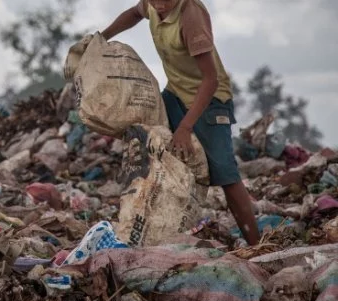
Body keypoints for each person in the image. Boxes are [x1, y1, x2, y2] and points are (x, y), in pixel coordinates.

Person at [102, 0, 260, 245]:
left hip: (208, 100)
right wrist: (102, 37)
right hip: (175, 94)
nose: (159, 4)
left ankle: (256, 245)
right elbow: (134, 13)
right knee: (150, 146)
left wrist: (185, 127)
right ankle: (151, 231)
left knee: (225, 173)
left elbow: (211, 79)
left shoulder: (190, 15)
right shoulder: (153, 5)